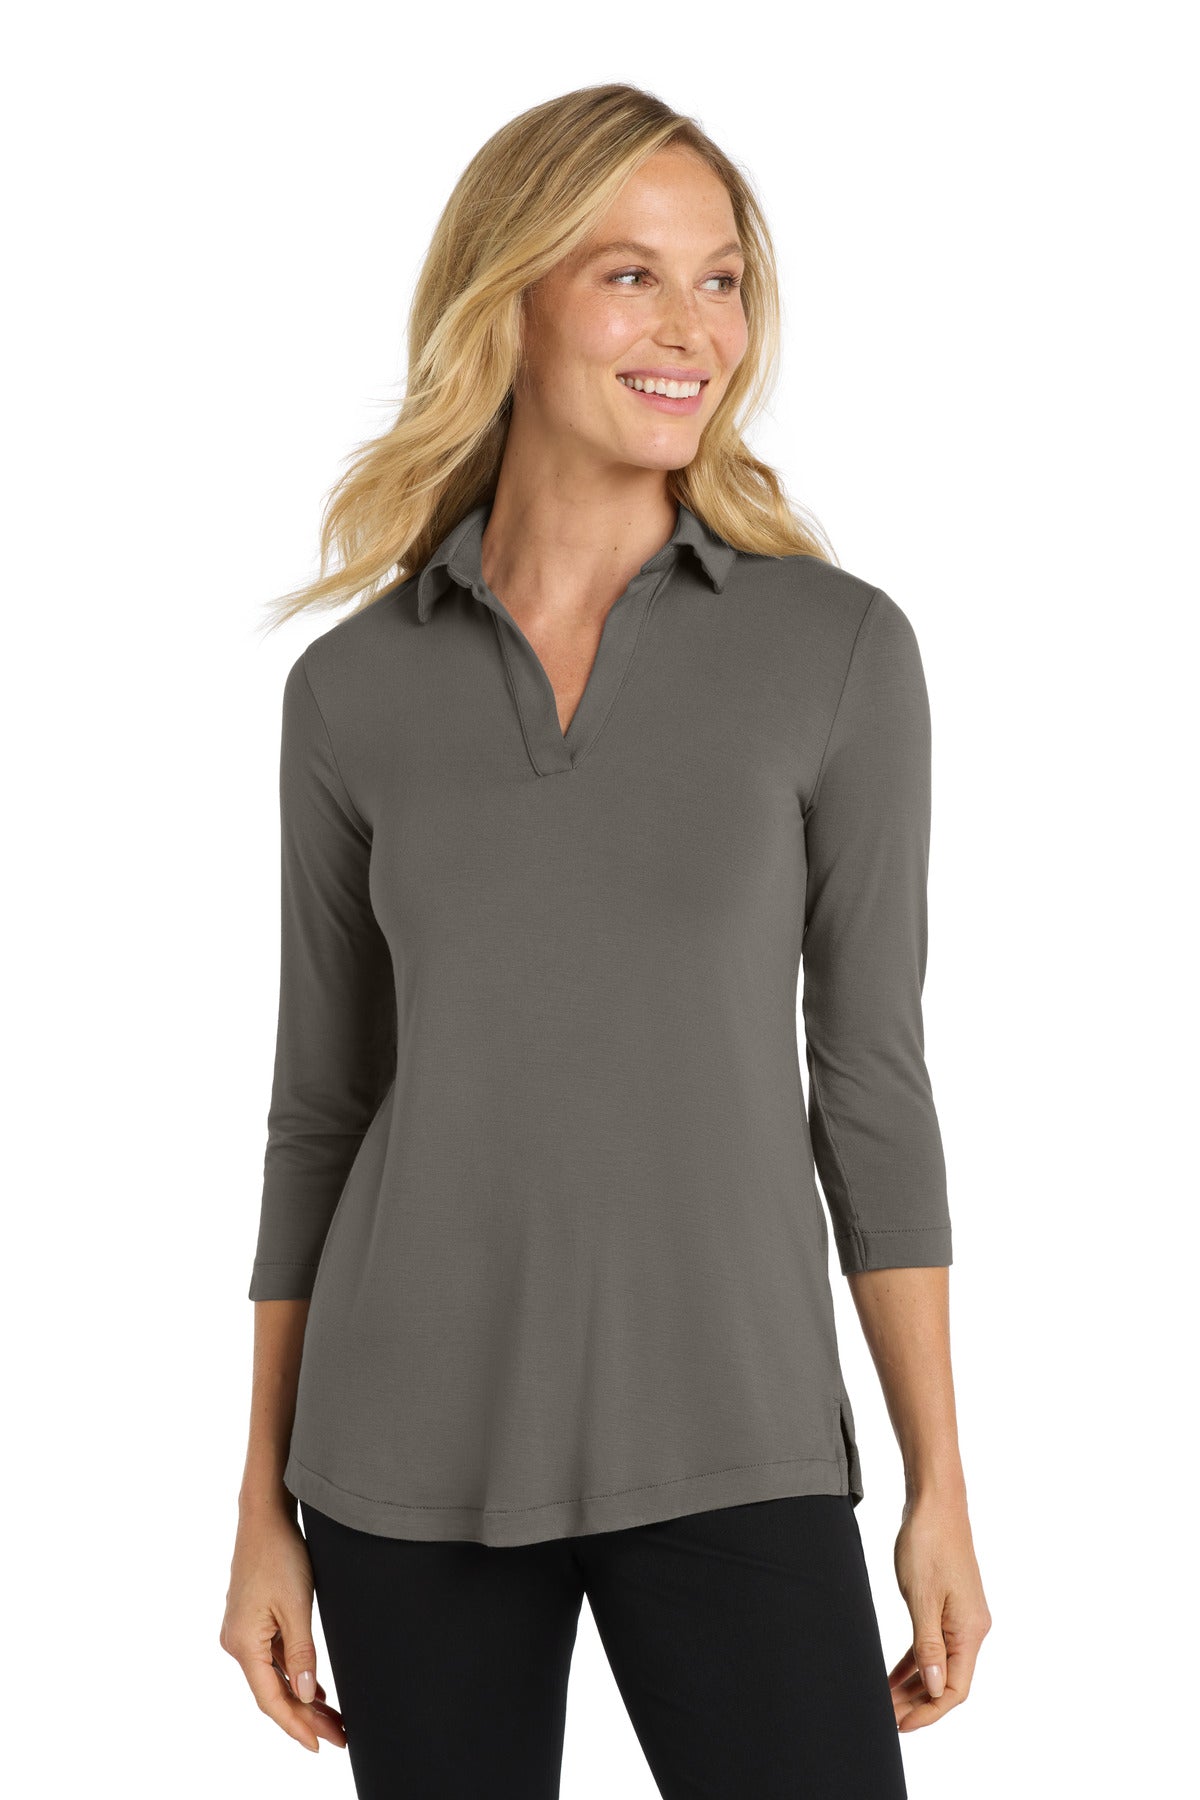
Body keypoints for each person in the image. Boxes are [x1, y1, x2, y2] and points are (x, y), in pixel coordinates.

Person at [220, 82, 990, 1799]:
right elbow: (319, 1109)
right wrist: (261, 1502)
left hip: (736, 1430)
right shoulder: (352, 692)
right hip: (402, 1448)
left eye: (722, 281)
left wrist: (939, 1481)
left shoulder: (835, 653)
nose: (694, 328)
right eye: (632, 275)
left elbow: (873, 1085)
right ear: (507, 300)